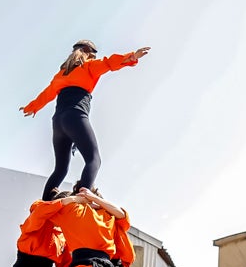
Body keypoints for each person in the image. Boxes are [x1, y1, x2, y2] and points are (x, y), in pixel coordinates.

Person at [22, 40, 150, 200]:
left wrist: (32, 107)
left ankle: (43, 205)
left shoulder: (61, 74)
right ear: (90, 54)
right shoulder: (89, 66)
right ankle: (81, 199)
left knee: (60, 169)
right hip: (75, 117)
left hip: (58, 122)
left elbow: (47, 93)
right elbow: (109, 63)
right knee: (93, 159)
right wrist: (132, 56)